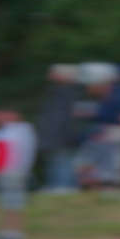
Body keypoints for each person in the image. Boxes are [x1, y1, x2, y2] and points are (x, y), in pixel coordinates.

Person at [0, 108, 36, 239]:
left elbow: (6, 152)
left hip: (12, 171)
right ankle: (8, 231)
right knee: (9, 203)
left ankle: (13, 233)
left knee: (12, 203)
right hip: (10, 172)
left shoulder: (16, 131)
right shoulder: (16, 131)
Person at [36, 65, 81, 193]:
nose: (50, 75)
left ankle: (64, 186)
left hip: (62, 134)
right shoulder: (59, 92)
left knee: (62, 160)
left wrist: (67, 133)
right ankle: (56, 185)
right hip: (55, 134)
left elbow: (64, 117)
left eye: (53, 73)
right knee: (55, 160)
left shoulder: (66, 93)